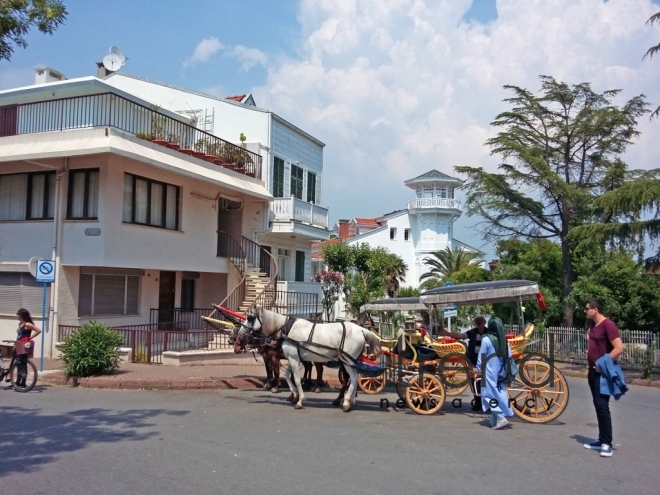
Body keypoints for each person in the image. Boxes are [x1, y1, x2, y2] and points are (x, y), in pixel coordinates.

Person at [583, 299, 624, 458]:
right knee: (598, 405)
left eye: (587, 309)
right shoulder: (594, 326)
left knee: (602, 406)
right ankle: (601, 440)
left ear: (595, 309)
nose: (585, 312)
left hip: (602, 373)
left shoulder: (608, 325)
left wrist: (602, 364)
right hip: (592, 372)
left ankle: (607, 443)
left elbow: (619, 348)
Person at [439, 315, 487, 409]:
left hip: (486, 359)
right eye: (477, 320)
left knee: (485, 382)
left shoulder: (489, 332)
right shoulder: (472, 332)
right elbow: (461, 336)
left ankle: (486, 402)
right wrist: (448, 333)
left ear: (484, 322)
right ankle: (478, 403)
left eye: (480, 320)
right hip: (473, 359)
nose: (478, 322)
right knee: (474, 381)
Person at [474, 317, 514, 430]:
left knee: (487, 396)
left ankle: (501, 418)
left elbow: (481, 357)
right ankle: (494, 419)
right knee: (497, 394)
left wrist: (477, 370)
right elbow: (510, 356)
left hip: (489, 372)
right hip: (501, 372)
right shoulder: (504, 341)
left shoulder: (486, 340)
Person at [13, 308, 41, 389]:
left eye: (18, 314)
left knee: (23, 363)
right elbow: (19, 336)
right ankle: (17, 382)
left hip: (24, 345)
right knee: (18, 363)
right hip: (18, 344)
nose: (17, 316)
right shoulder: (20, 324)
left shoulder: (27, 324)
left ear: (21, 315)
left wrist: (30, 338)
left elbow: (38, 330)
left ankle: (23, 382)